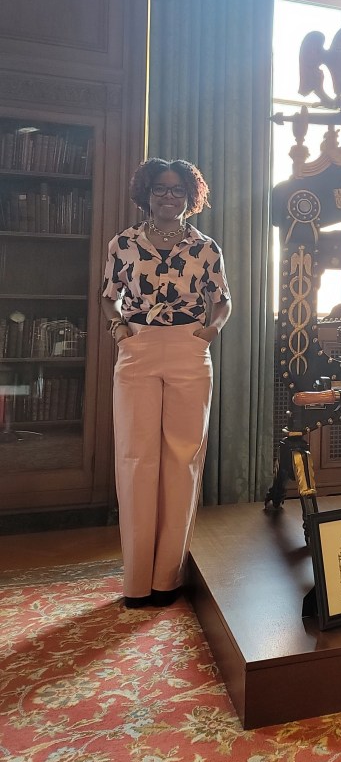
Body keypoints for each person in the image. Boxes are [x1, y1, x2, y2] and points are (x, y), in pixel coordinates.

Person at [101, 158, 231, 608]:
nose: (169, 197)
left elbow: (223, 301)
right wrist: (120, 332)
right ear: (147, 193)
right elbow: (108, 296)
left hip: (188, 350)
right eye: (161, 189)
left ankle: (167, 578)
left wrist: (207, 334)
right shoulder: (124, 243)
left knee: (183, 458)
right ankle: (136, 580)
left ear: (189, 197)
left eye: (177, 190)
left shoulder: (205, 247)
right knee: (136, 458)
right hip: (137, 347)